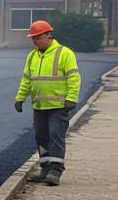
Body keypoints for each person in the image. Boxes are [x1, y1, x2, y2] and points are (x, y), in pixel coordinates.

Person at [14, 19, 80, 186]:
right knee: (41, 137)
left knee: (55, 136)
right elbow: (27, 80)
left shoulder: (64, 53)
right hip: (39, 106)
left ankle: (55, 170)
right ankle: (45, 168)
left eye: (38, 38)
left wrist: (71, 98)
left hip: (59, 106)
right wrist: (20, 98)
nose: (35, 41)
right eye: (33, 38)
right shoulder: (32, 56)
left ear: (48, 36)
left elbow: (74, 77)